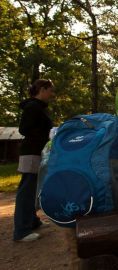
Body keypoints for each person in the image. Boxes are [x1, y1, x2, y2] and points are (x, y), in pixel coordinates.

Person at [14, 79, 54, 242]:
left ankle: (32, 221)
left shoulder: (38, 107)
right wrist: (41, 136)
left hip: (37, 151)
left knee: (34, 188)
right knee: (27, 189)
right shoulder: (32, 107)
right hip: (31, 151)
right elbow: (24, 128)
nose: (52, 94)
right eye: (50, 90)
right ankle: (21, 231)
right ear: (42, 90)